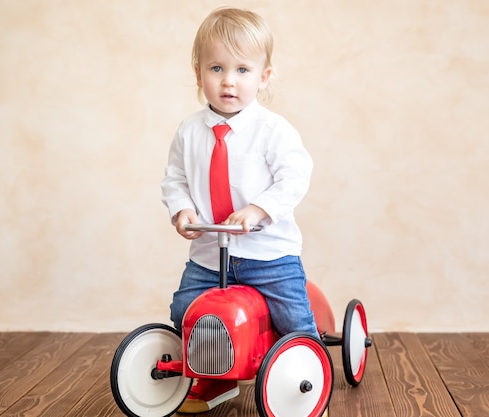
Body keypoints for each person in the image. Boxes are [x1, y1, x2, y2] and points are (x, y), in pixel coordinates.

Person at [160, 7, 318, 414]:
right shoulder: (189, 130)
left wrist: (258, 209)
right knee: (186, 313)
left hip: (268, 255)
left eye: (243, 70)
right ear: (198, 74)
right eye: (217, 68)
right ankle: (214, 379)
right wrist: (182, 211)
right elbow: (175, 178)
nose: (228, 80)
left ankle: (307, 377)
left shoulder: (273, 130)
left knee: (292, 316)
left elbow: (294, 177)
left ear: (263, 77)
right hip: (209, 254)